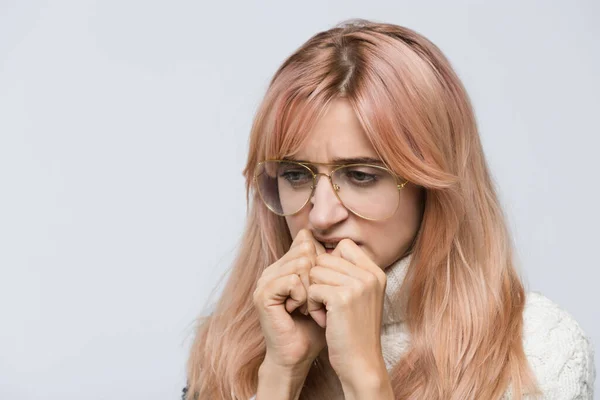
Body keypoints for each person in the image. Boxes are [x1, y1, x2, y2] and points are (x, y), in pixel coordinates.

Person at [182, 19, 595, 399]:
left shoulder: (533, 349)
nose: (321, 215)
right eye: (295, 174)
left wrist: (365, 377)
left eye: (361, 176)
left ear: (431, 187)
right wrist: (280, 376)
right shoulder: (232, 344)